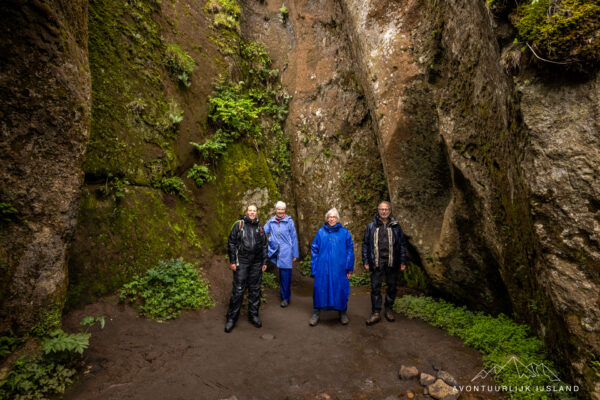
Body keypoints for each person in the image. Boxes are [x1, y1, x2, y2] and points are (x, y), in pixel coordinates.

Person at [362, 201, 407, 326]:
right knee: (375, 288)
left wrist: (403, 261)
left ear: (390, 211)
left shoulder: (396, 226)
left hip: (392, 262)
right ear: (378, 210)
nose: (384, 211)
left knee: (391, 287)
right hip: (376, 262)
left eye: (386, 209)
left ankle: (388, 309)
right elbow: (365, 244)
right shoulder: (371, 226)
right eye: (381, 209)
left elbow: (402, 245)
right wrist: (366, 261)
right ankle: (376, 313)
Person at [224, 204, 268, 333]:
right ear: (246, 212)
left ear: (257, 213)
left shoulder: (260, 228)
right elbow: (231, 242)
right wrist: (232, 261)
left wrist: (264, 261)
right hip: (241, 262)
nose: (252, 213)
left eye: (254, 211)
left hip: (256, 264)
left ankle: (253, 316)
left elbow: (265, 245)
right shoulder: (239, 225)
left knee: (255, 290)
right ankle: (231, 318)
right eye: (250, 210)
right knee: (238, 291)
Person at [309, 208, 354, 326]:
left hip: (339, 268)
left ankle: (342, 312)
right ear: (326, 218)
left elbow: (350, 250)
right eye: (329, 217)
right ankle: (316, 313)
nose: (331, 219)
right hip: (322, 268)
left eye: (334, 217)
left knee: (341, 289)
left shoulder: (344, 233)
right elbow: (314, 249)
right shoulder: (321, 232)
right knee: (320, 289)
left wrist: (349, 267)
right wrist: (314, 267)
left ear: (337, 218)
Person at [263, 201, 299, 308]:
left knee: (285, 276)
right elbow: (262, 232)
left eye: (282, 209)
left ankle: (285, 298)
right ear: (275, 210)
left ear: (285, 210)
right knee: (259, 262)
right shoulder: (271, 221)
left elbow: (294, 238)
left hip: (286, 252)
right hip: (273, 251)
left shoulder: (289, 222)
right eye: (278, 209)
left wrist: (295, 253)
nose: (280, 211)